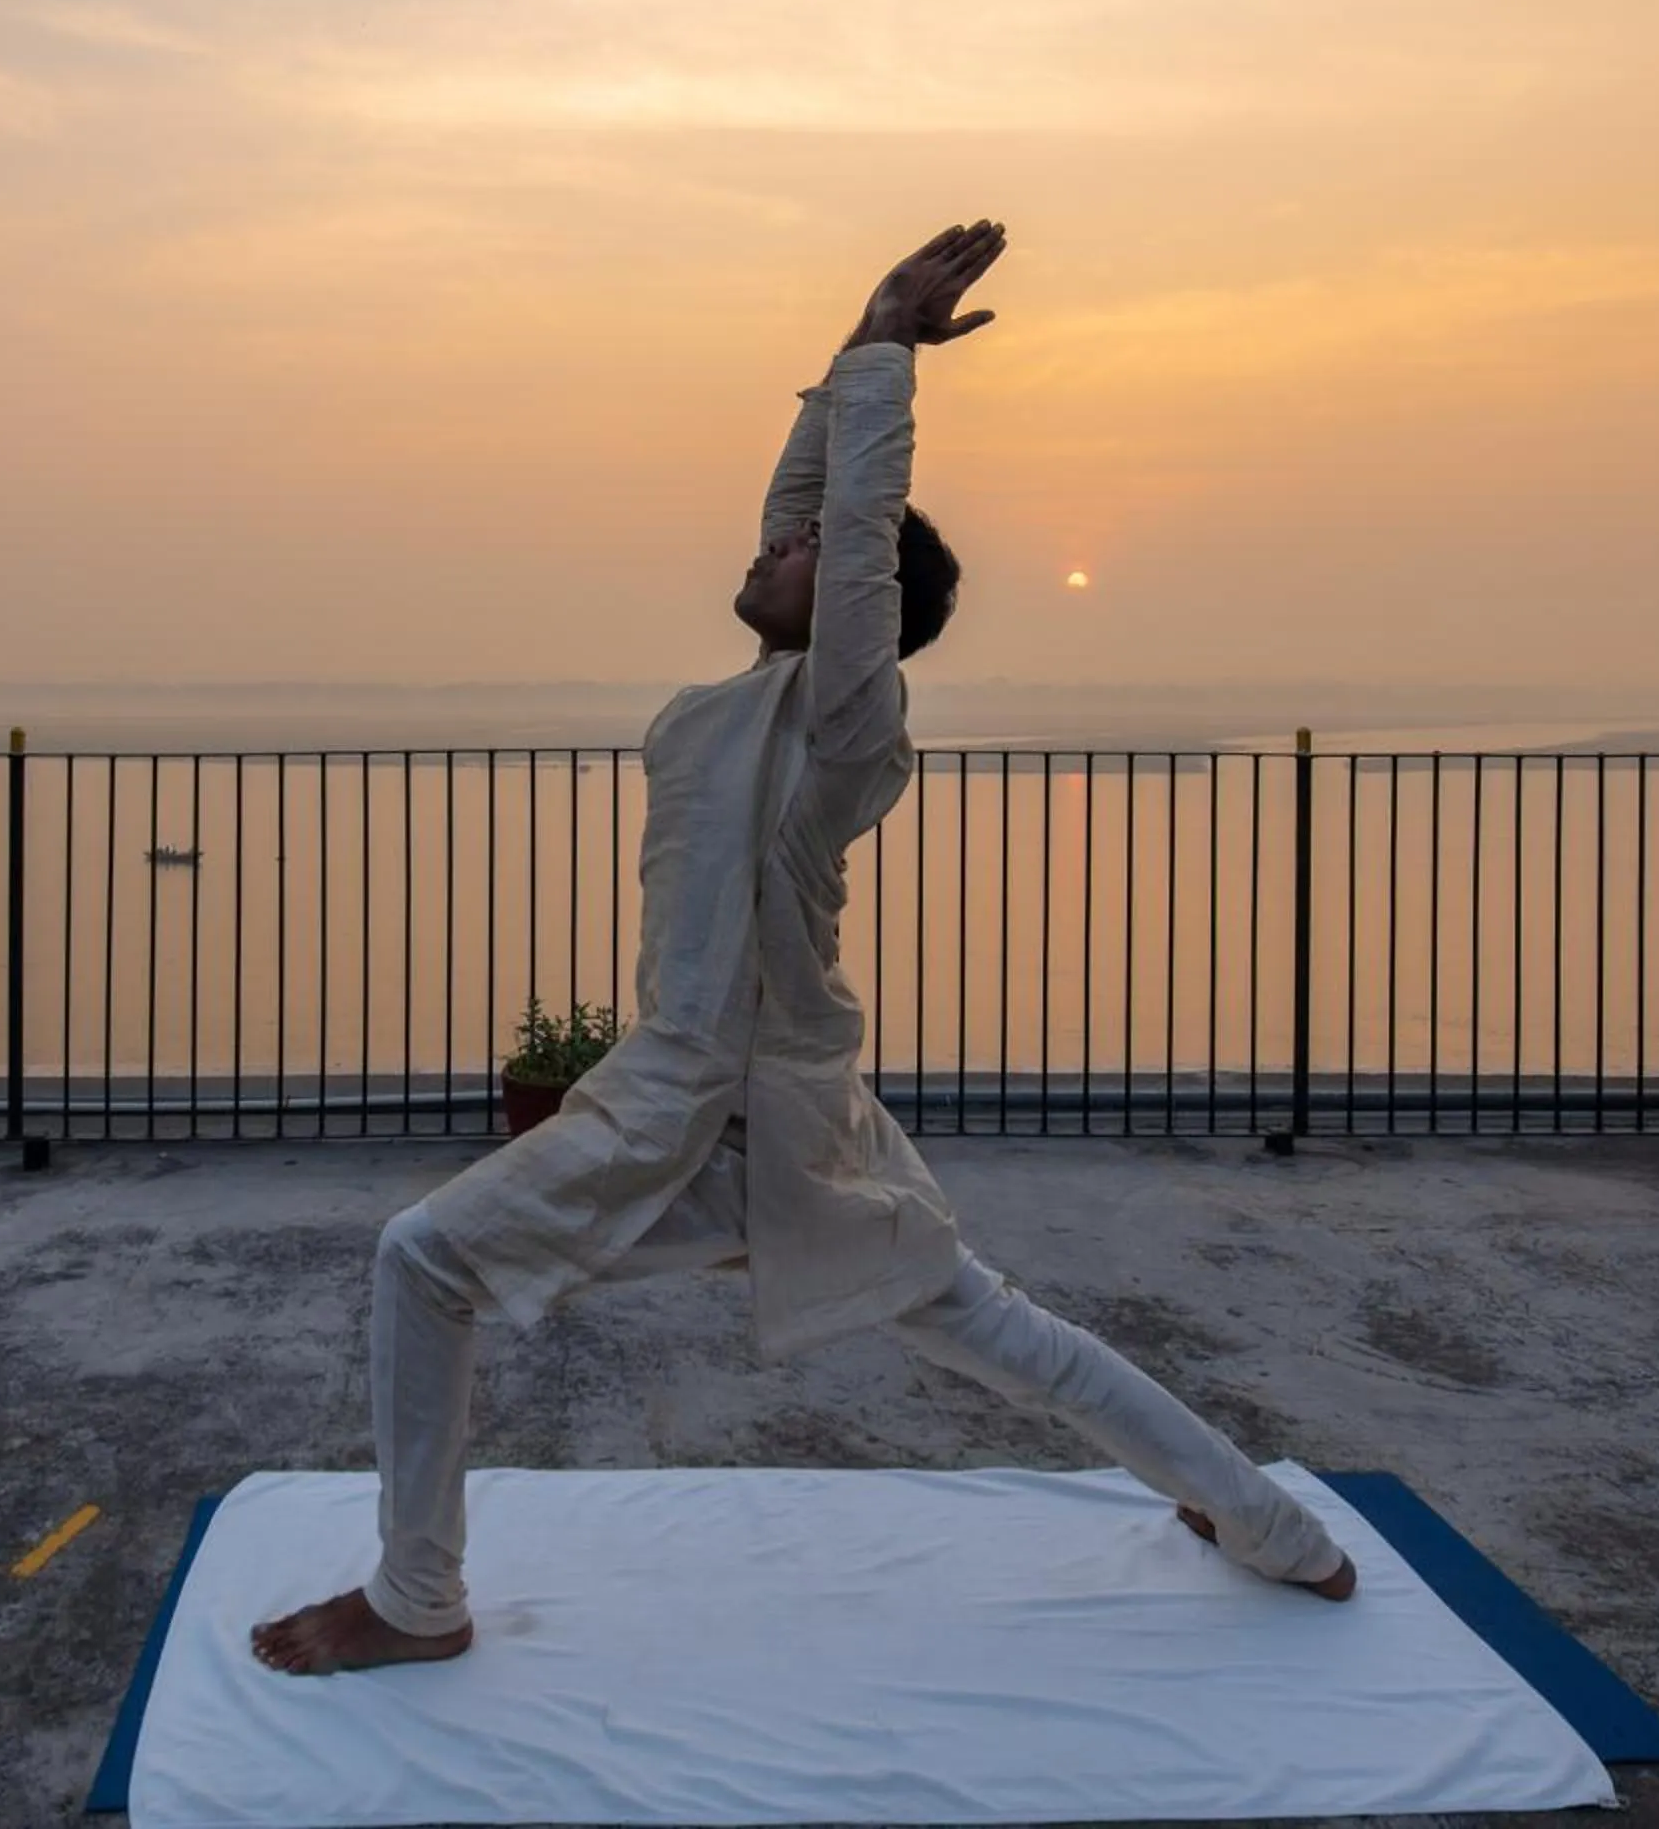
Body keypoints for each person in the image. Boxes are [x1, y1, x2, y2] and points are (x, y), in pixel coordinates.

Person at [252, 220, 1356, 1678]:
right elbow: (817, 507)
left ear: (858, 607)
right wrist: (851, 343)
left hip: (711, 1112)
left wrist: (893, 354)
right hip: (763, 1112)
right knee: (998, 1327)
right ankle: (1275, 1528)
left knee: (421, 1259)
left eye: (804, 546)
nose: (773, 539)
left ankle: (415, 1600)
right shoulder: (754, 701)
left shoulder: (847, 727)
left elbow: (851, 545)